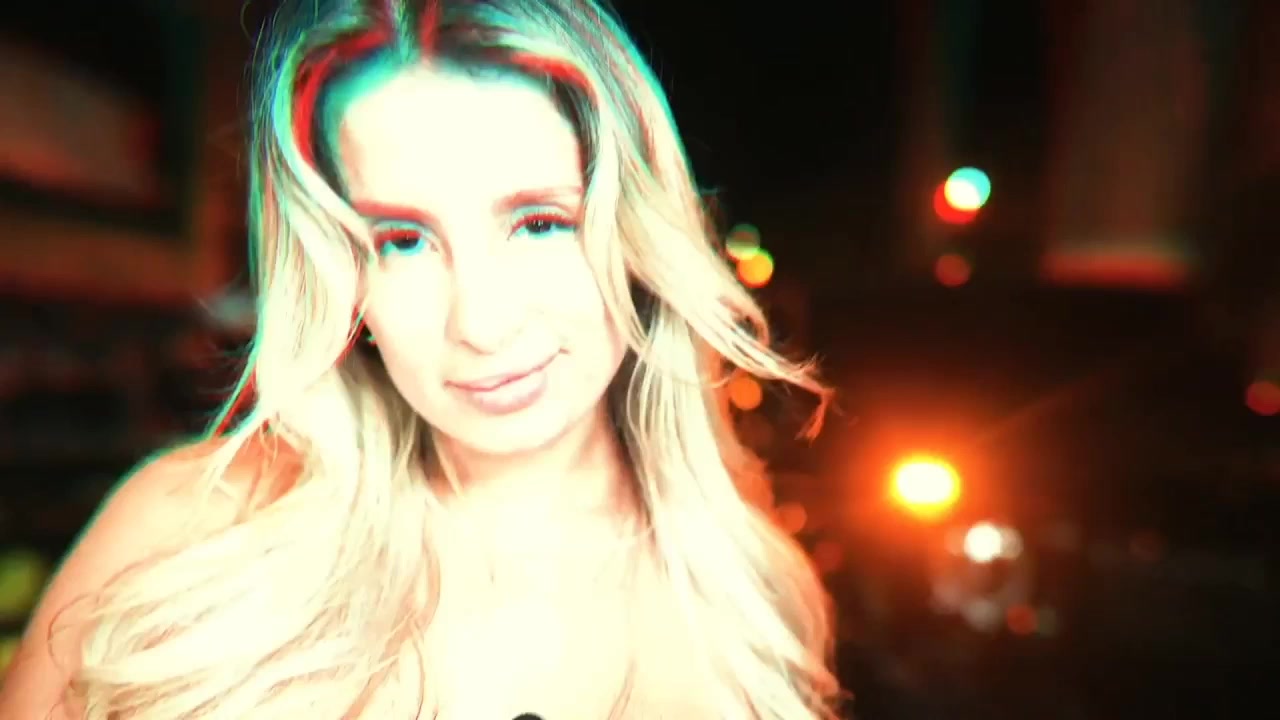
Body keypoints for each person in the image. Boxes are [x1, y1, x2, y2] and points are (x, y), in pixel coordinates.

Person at [0, 0, 844, 717]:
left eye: (540, 223)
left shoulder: (756, 602)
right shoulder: (186, 534)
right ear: (342, 276)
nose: (481, 322)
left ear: (637, 232)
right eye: (402, 241)